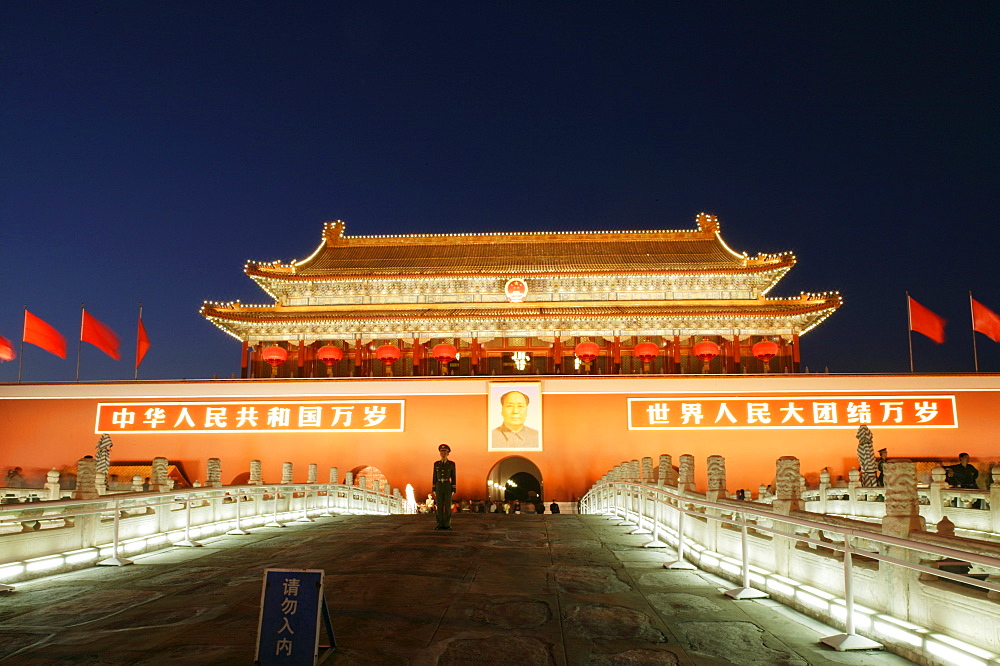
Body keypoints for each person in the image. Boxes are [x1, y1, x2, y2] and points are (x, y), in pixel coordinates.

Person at [432, 444, 456, 530]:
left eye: (445, 452)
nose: (443, 453)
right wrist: (434, 488)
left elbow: (453, 476)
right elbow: (434, 476)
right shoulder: (436, 464)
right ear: (439, 453)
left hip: (447, 485)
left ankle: (447, 524)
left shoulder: (451, 464)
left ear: (448, 453)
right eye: (442, 451)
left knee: (447, 506)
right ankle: (439, 524)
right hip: (439, 485)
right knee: (439, 506)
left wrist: (453, 488)